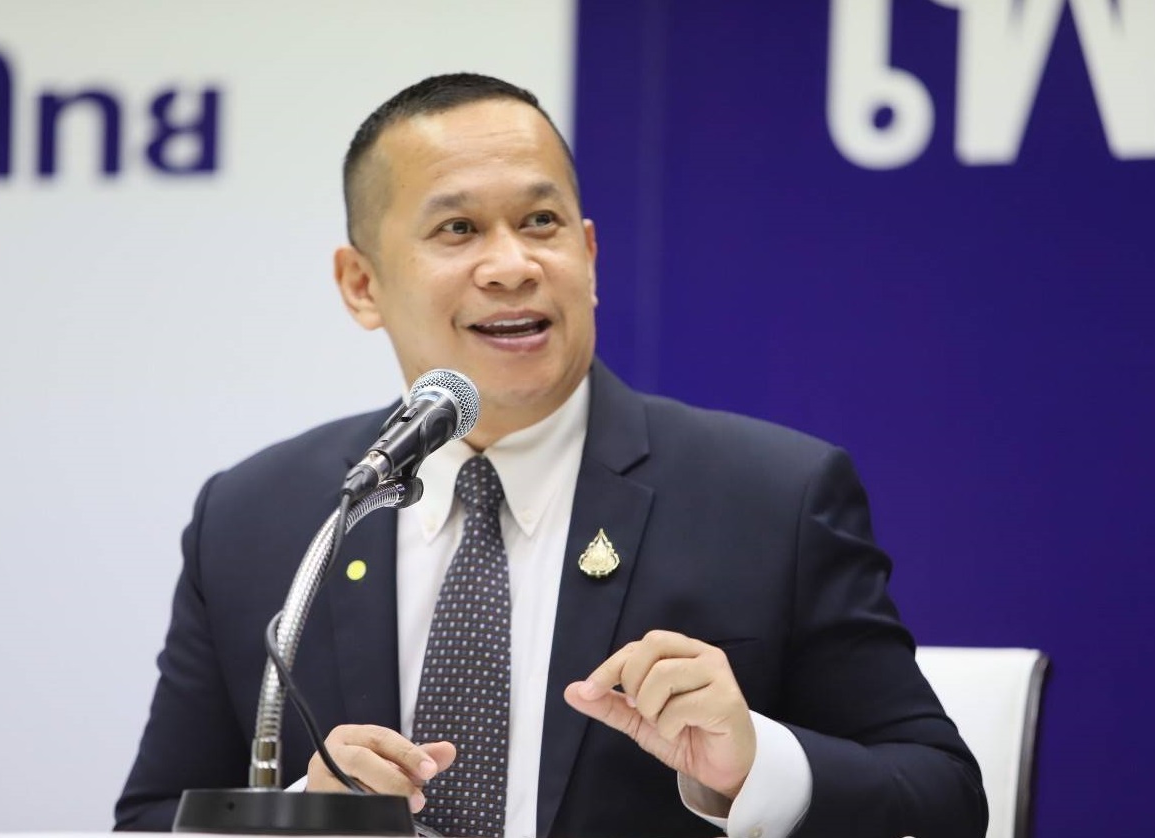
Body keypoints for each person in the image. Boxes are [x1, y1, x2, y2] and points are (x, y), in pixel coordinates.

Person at [115, 73, 987, 838]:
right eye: (457, 228)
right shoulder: (259, 517)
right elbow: (151, 818)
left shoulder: (769, 497)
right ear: (361, 284)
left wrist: (752, 766)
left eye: (541, 222)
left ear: (589, 254)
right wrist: (301, 812)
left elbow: (942, 797)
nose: (511, 265)